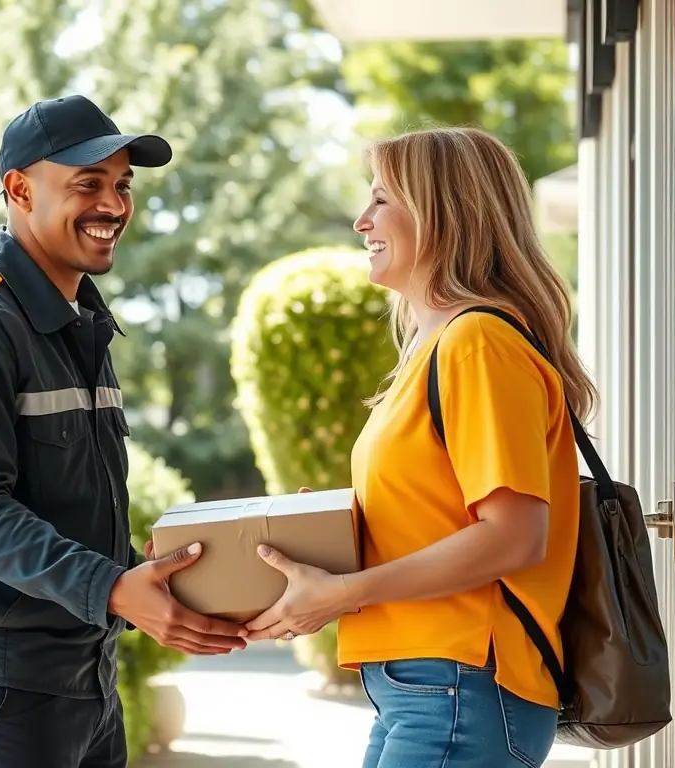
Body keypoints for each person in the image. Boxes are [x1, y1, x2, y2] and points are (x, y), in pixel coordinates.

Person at [0, 94, 248, 768]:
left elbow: (69, 507)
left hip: (86, 680)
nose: (113, 204)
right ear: (19, 190)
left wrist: (167, 580)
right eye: (88, 183)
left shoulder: (81, 328)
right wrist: (113, 590)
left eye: (121, 185)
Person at [242, 126, 595, 767]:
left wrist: (346, 590)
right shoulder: (435, 350)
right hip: (424, 684)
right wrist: (331, 535)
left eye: (381, 199)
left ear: (442, 212)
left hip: (459, 683)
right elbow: (438, 516)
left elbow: (513, 537)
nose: (360, 221)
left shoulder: (477, 345)